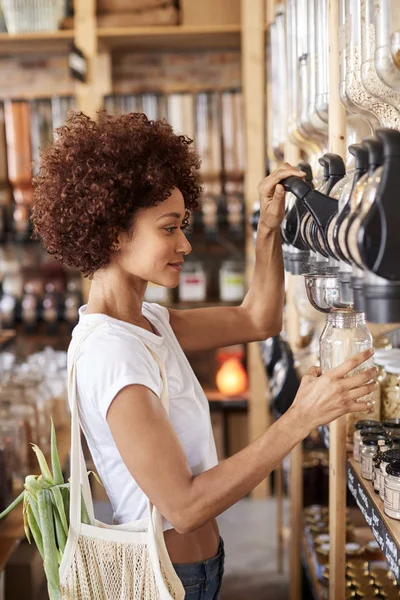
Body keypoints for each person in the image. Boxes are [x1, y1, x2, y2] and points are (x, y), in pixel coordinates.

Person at [32, 111, 377, 599]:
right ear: (113, 233)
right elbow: (185, 507)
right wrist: (301, 418)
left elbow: (258, 319)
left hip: (198, 567)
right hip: (171, 580)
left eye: (183, 226)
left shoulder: (147, 322)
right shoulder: (113, 355)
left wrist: (268, 230)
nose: (185, 243)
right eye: (169, 229)